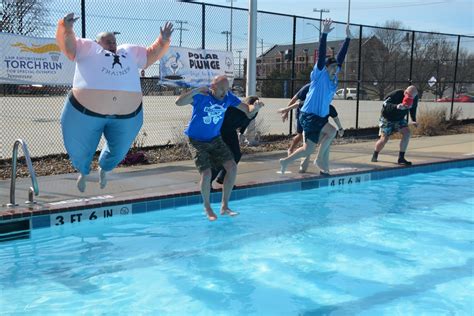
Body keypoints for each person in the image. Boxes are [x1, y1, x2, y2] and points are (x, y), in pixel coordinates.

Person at [56, 13, 173, 192]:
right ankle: (83, 172)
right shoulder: (88, 48)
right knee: (79, 148)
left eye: (113, 41)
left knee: (118, 150)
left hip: (126, 116)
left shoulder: (129, 52)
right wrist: (67, 28)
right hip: (84, 112)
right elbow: (69, 46)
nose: (112, 44)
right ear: (97, 43)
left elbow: (150, 54)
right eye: (107, 41)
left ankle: (104, 169)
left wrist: (163, 40)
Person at [175, 76, 263, 221]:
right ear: (213, 87)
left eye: (226, 89)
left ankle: (225, 206)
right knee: (207, 173)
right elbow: (178, 102)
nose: (224, 92)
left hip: (215, 138)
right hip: (196, 140)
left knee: (232, 167)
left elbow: (247, 109)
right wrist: (195, 91)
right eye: (221, 89)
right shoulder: (202, 96)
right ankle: (207, 207)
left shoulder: (228, 97)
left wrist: (256, 107)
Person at [279, 19, 350, 175]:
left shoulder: (334, 76)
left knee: (312, 146)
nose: (335, 68)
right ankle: (317, 160)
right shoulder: (319, 75)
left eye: (336, 67)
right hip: (310, 115)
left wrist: (348, 39)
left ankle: (286, 161)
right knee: (321, 139)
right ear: (326, 67)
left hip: (320, 116)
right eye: (332, 66)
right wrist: (324, 34)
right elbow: (322, 53)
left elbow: (341, 57)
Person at [278, 84, 344, 173]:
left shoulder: (329, 107)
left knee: (321, 143)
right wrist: (286, 110)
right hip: (310, 127)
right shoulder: (315, 101)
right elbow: (298, 103)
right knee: (329, 133)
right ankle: (307, 164)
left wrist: (340, 128)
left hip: (319, 129)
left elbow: (336, 118)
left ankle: (323, 168)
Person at [211, 96, 260, 185]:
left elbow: (247, 121)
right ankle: (208, 182)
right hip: (219, 130)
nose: (255, 110)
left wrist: (241, 133)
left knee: (236, 154)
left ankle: (223, 178)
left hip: (231, 131)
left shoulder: (255, 112)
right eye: (254, 106)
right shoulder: (234, 109)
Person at [371, 85, 419, 165]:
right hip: (387, 118)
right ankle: (375, 154)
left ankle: (401, 158)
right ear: (405, 92)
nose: (409, 98)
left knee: (407, 133)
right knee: (384, 140)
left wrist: (414, 120)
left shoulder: (414, 98)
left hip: (399, 119)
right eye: (408, 95)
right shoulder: (396, 94)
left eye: (412, 97)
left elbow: (413, 109)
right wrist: (396, 106)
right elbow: (385, 104)